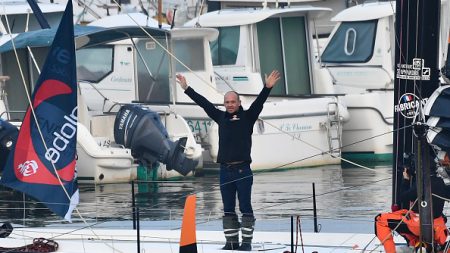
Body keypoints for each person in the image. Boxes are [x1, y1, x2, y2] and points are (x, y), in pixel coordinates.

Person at [176, 70, 281, 251]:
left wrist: (267, 87)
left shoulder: (248, 117)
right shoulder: (220, 117)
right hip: (225, 171)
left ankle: (246, 243)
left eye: (233, 102)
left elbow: (259, 102)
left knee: (246, 207)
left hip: (243, 171)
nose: (230, 105)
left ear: (239, 103)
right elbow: (204, 103)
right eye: (227, 102)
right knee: (228, 208)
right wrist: (186, 88)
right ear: (224, 104)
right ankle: (231, 243)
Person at [375, 150, 450, 253]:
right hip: (438, 228)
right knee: (406, 215)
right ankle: (420, 244)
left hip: (418, 225)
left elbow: (402, 197)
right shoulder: (442, 182)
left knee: (380, 220)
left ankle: (392, 251)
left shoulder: (421, 184)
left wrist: (406, 179)